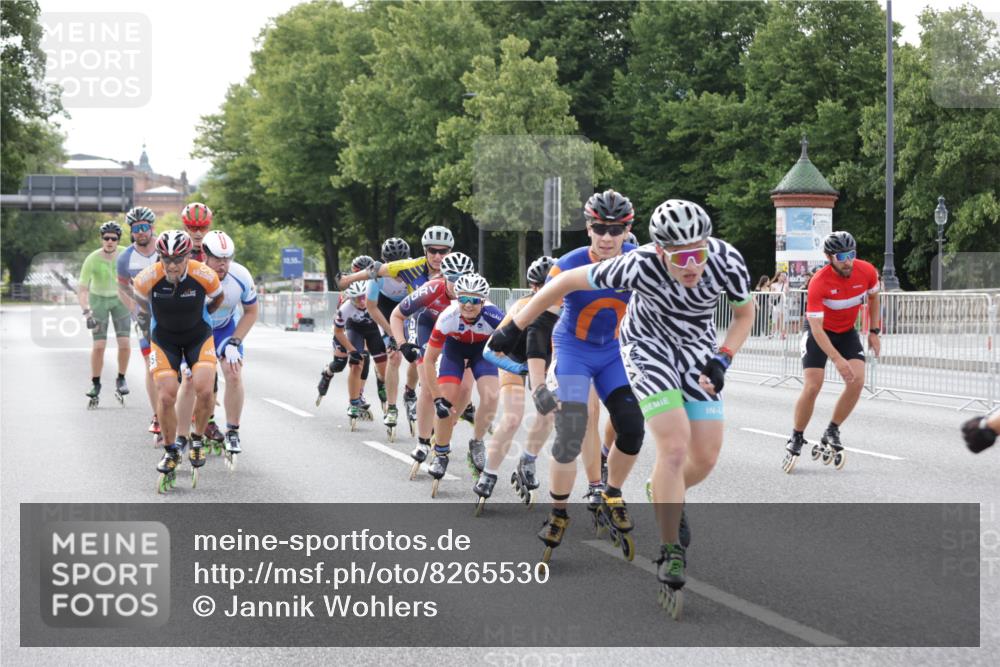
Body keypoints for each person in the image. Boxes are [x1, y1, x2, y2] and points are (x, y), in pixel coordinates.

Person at [498, 198, 754, 617]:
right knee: (586, 429)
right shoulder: (634, 265)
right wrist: (513, 331)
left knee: (697, 453)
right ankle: (572, 513)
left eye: (699, 251)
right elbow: (552, 298)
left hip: (692, 348)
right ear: (659, 250)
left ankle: (643, 488)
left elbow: (745, 313)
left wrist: (724, 356)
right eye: (681, 255)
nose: (692, 264)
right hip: (629, 347)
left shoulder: (724, 259)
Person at [488, 189, 644, 563]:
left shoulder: (637, 262)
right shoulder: (569, 264)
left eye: (616, 229)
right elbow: (541, 325)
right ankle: (558, 512)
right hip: (573, 351)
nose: (607, 237)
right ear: (588, 228)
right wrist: (539, 384)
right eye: (599, 228)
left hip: (610, 354)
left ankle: (610, 492)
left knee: (632, 425)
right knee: (573, 430)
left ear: (627, 230)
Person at [132, 231, 224, 492]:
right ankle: (171, 449)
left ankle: (196, 439)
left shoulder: (204, 274)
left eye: (177, 259)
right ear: (159, 256)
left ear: (188, 256)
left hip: (198, 336)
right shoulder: (147, 278)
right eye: (166, 258)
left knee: (205, 390)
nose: (172, 265)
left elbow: (217, 298)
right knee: (166, 396)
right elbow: (140, 302)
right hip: (164, 339)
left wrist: (202, 315)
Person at [782, 231, 880, 473]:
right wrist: (836, 360)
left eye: (851, 255)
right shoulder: (819, 281)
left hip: (846, 331)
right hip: (819, 332)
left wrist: (874, 331)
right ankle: (796, 436)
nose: (847, 261)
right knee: (813, 385)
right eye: (841, 256)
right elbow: (816, 327)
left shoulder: (866, 271)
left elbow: (875, 297)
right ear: (829, 257)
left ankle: (832, 429)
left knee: (857, 381)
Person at [478, 256, 557, 508]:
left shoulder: (566, 308)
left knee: (547, 412)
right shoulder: (520, 309)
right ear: (532, 288)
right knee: (512, 417)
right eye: (540, 287)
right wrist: (517, 368)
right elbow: (490, 351)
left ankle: (528, 460)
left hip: (544, 361)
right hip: (512, 358)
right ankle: (489, 473)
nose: (548, 293)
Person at [390, 252, 476, 470]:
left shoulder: (475, 294)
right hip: (428, 329)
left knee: (465, 389)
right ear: (443, 276)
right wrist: (402, 343)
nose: (458, 287)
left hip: (456, 335)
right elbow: (396, 315)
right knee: (429, 387)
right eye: (453, 280)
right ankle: (422, 441)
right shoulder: (432, 288)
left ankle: (444, 427)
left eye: (462, 280)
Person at [420, 273, 503, 498]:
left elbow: (510, 347)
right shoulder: (448, 317)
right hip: (454, 349)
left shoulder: (495, 316)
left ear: (483, 301)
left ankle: (476, 443)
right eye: (464, 298)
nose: (468, 305)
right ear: (458, 298)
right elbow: (428, 360)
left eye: (475, 300)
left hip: (482, 351)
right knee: (447, 400)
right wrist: (436, 398)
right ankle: (441, 453)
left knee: (491, 395)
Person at [202, 230, 259, 460]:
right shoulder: (194, 274)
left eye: (227, 258)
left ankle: (233, 430)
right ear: (204, 255)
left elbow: (252, 311)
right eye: (217, 258)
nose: (223, 264)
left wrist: (236, 340)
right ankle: (202, 423)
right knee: (197, 381)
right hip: (198, 331)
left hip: (225, 329)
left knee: (233, 373)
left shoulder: (241, 275)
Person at [116, 207, 161, 435]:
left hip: (172, 315)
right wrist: (135, 311)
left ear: (152, 228)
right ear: (131, 232)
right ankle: (157, 416)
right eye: (136, 229)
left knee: (179, 365)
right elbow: (122, 287)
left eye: (144, 228)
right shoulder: (125, 258)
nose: (141, 233)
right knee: (152, 367)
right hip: (146, 318)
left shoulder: (164, 249)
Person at [78, 221, 131, 407]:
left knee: (124, 343)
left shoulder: (127, 253)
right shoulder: (92, 258)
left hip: (120, 300)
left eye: (113, 238)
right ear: (102, 239)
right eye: (106, 238)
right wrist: (86, 311)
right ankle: (95, 383)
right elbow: (83, 288)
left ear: (118, 240)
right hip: (98, 300)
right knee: (99, 345)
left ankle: (121, 378)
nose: (109, 241)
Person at [334, 279, 389, 424]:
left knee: (386, 370)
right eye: (356, 299)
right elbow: (338, 332)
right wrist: (352, 351)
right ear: (350, 298)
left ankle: (382, 382)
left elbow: (388, 322)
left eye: (364, 297)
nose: (362, 301)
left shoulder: (378, 301)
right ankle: (353, 402)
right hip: (355, 329)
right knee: (356, 364)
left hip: (375, 331)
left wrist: (391, 340)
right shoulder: (345, 308)